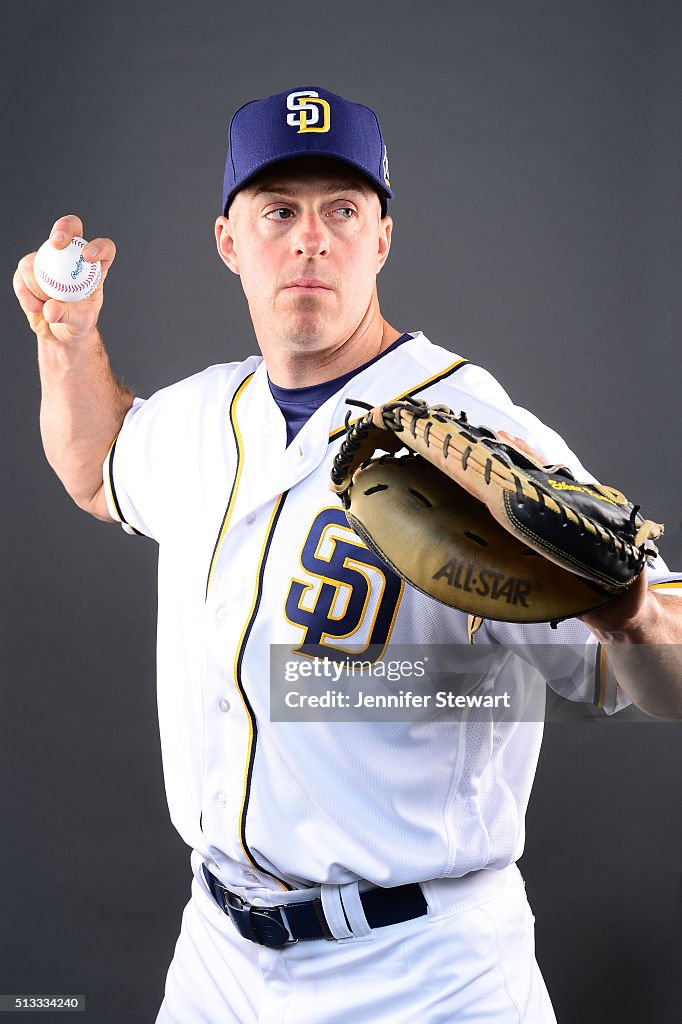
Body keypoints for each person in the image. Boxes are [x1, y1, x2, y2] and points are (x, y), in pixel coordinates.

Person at [13, 86, 682, 1023]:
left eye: (342, 209)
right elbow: (96, 469)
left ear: (381, 239)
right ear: (229, 241)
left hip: (426, 971)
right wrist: (67, 343)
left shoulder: (483, 431)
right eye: (279, 210)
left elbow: (661, 677)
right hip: (216, 962)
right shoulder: (205, 413)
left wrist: (630, 613)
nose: (310, 237)